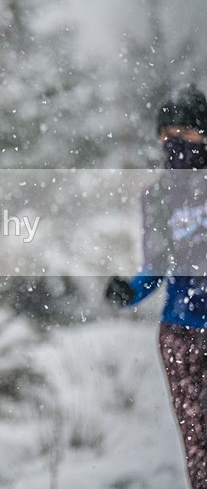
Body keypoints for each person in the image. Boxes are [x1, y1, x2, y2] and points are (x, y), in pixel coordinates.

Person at [105, 83, 207, 489]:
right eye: (166, 136)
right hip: (181, 333)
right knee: (198, 446)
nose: (174, 144)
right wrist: (129, 291)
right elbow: (157, 264)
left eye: (184, 133)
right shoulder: (159, 196)